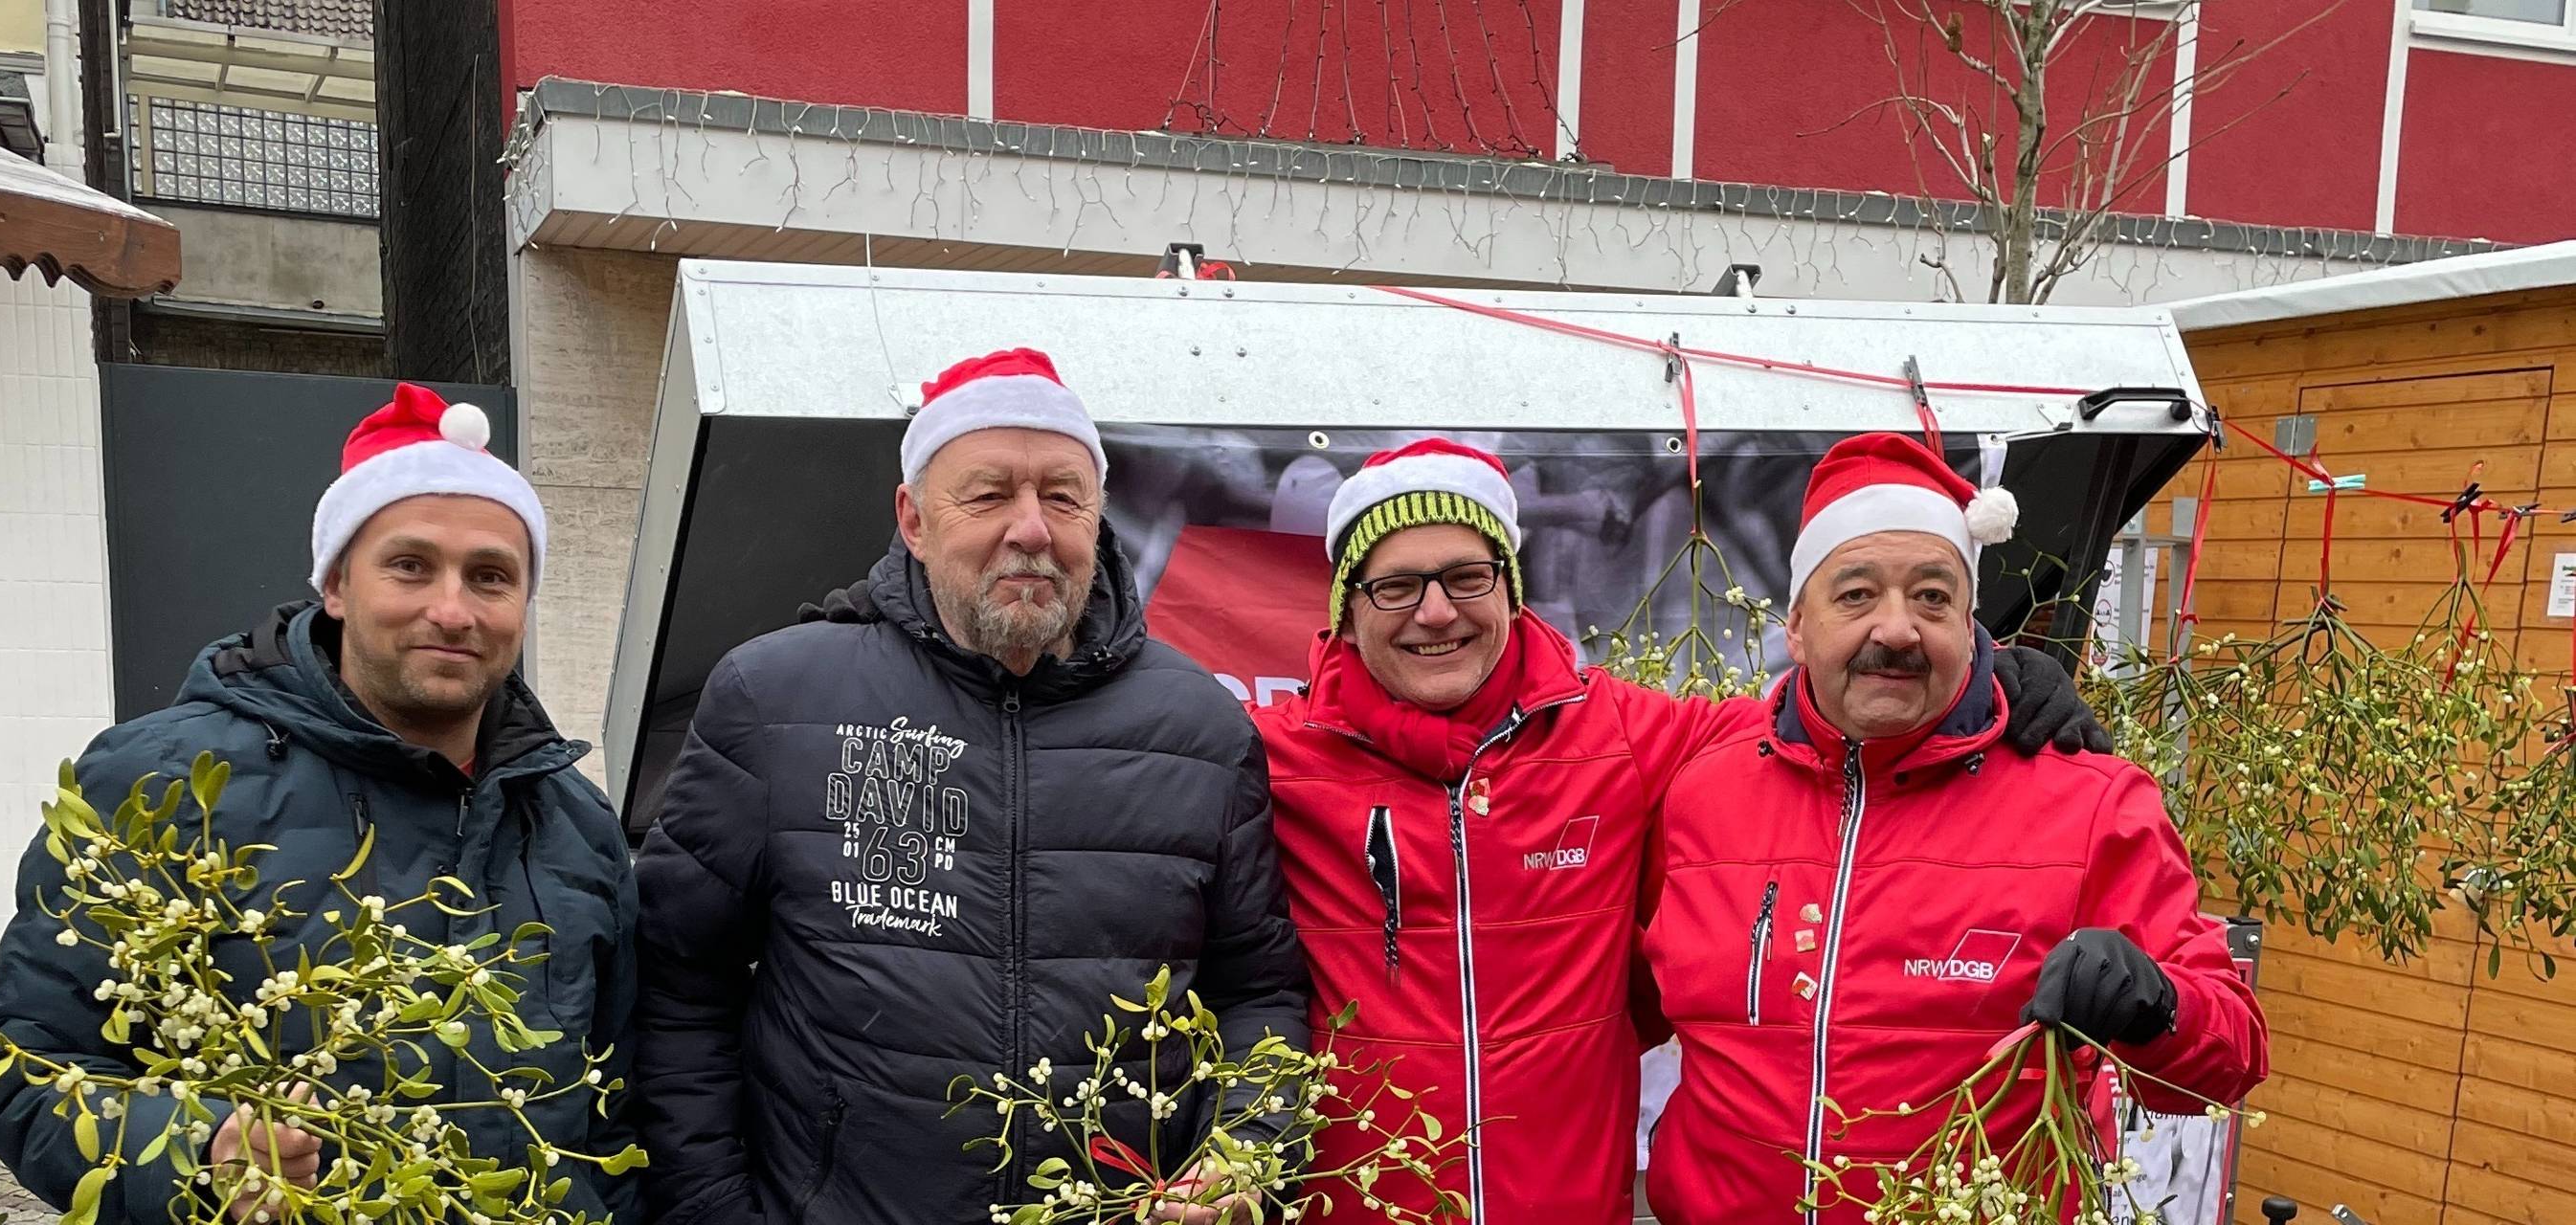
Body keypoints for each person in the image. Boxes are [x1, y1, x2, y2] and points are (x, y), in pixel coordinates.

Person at [1252, 437, 2113, 1225]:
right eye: (1395, 586)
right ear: (1347, 606)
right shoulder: (1266, 761)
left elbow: (1821, 724)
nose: (1435, 612)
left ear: (1509, 589)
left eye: (1468, 577)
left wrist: (1990, 687)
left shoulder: (1620, 735)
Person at [631, 348, 1308, 1225]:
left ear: (1098, 515)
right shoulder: (775, 697)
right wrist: (715, 1212)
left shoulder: (1200, 728)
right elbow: (679, 984)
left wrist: (1242, 1155)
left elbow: (1260, 994)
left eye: (1063, 495)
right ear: (913, 518)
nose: (1030, 528)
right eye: (988, 494)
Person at [0, 385, 640, 1223]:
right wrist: (201, 1151)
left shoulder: (576, 826)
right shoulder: (164, 787)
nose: (453, 609)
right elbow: (25, 1062)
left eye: (491, 577)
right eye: (410, 565)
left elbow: (620, 1099)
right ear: (337, 588)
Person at [1638, 433, 2270, 1224]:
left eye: (1933, 597)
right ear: (1796, 627)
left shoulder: (2092, 804)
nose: (1897, 630)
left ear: (1973, 625)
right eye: (1856, 594)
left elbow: (2231, 1055)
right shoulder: (1703, 784)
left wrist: (2158, 1004)